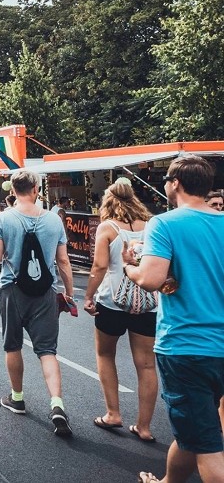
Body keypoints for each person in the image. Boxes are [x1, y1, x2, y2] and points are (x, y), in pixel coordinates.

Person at [126, 156, 224, 483]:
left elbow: (151, 279)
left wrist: (130, 267)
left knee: (208, 445)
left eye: (165, 179)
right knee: (196, 431)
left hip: (186, 346)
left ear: (175, 183)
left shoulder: (165, 223)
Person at [0, 168, 75, 437]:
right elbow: (63, 261)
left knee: (12, 345)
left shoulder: (2, 219)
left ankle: (17, 397)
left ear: (13, 191)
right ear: (36, 190)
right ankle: (57, 404)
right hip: (46, 291)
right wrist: (69, 292)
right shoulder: (53, 220)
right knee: (47, 350)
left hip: (12, 289)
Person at [81, 179, 158, 441]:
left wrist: (89, 296)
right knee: (147, 365)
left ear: (108, 200)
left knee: (105, 354)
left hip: (112, 301)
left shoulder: (108, 227)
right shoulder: (151, 226)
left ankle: (113, 414)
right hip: (147, 302)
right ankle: (144, 427)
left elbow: (99, 267)